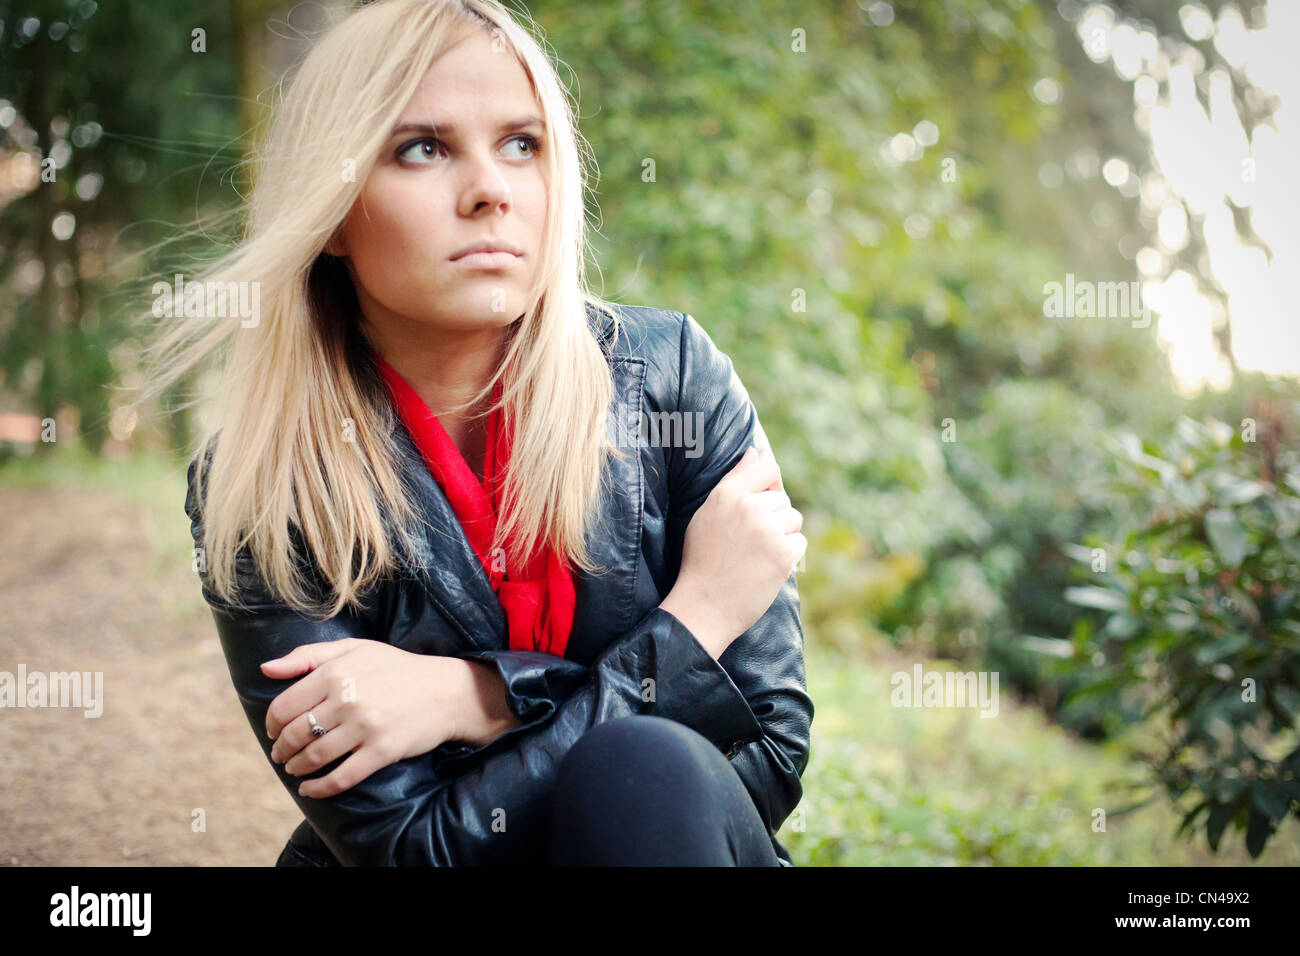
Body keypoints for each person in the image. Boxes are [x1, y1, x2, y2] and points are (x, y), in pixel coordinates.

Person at [141, 0, 812, 866]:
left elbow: (764, 755)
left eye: (522, 144)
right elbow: (408, 849)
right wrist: (697, 621)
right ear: (333, 211)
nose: (491, 188)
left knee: (647, 768)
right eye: (422, 147)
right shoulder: (265, 486)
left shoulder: (673, 377)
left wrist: (475, 699)